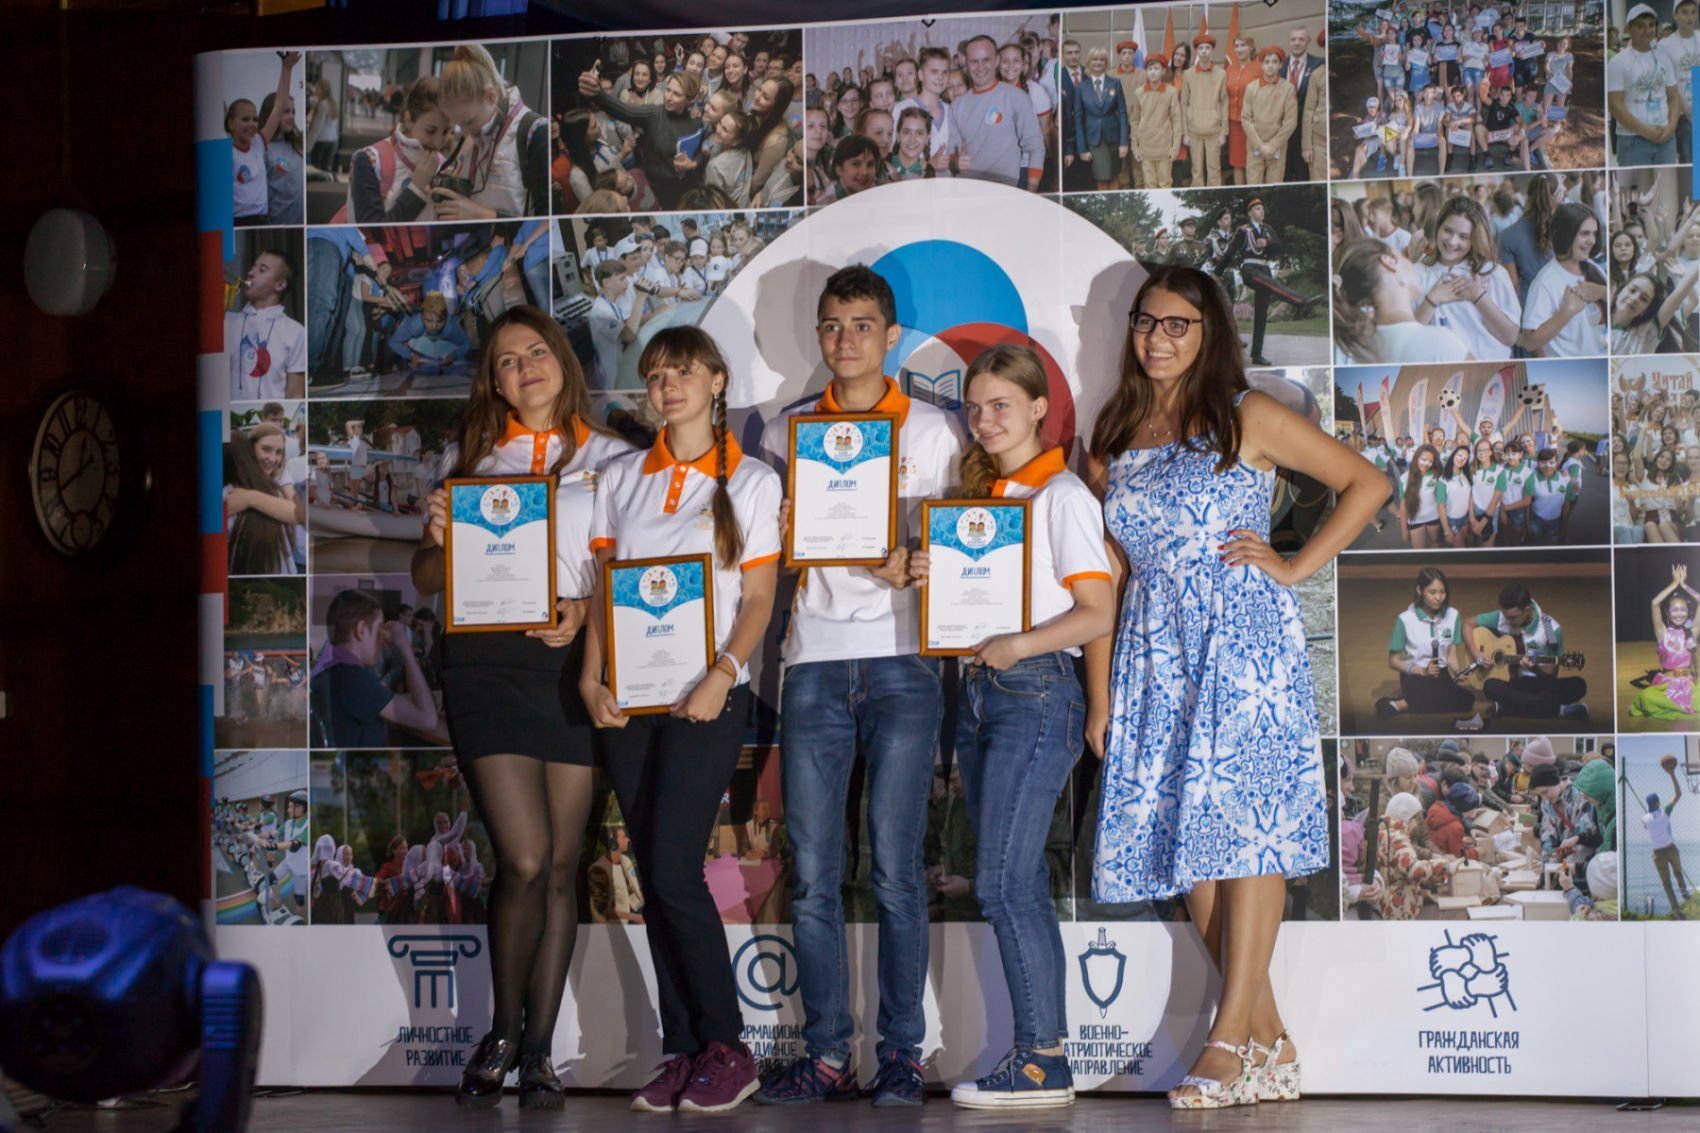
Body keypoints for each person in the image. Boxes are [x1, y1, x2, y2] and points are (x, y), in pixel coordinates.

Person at [1089, 265, 1384, 1109]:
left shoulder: (1246, 414)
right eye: (1146, 321)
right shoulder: (1114, 430)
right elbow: (1108, 573)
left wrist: (1292, 565)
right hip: (1154, 650)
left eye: (1177, 324)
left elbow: (1368, 483)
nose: (1157, 338)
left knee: (1247, 834)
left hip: (1243, 642)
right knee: (1191, 847)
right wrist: (1104, 696)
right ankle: (1270, 1038)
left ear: (1209, 331)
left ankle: (1226, 1042)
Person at [412, 306, 634, 1108]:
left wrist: (582, 612)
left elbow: (623, 569)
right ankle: (501, 1031)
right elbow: (425, 578)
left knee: (563, 865)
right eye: (507, 361)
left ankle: (538, 1050)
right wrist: (439, 536)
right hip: (484, 664)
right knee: (527, 858)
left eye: (536, 351)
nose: (524, 368)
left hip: (572, 664)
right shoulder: (470, 456)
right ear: (495, 381)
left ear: (563, 361)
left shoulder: (613, 458)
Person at [754, 266, 963, 1108]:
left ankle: (902, 1053)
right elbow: (766, 557)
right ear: (819, 334)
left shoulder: (935, 428)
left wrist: (918, 562)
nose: (847, 339)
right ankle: (828, 1053)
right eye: (833, 325)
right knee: (812, 872)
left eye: (863, 324)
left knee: (898, 870)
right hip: (812, 659)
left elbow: (962, 548)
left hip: (904, 658)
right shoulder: (786, 430)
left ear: (891, 333)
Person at [902, 347, 1113, 1110]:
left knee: (999, 880)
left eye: (1001, 405)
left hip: (1036, 691)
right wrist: (931, 578)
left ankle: (1041, 1059)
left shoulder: (1061, 494)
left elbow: (1098, 612)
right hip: (981, 694)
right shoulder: (981, 500)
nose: (984, 420)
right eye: (974, 406)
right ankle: (1042, 1054)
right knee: (1012, 880)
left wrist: (1020, 646)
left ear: (1038, 408)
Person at [580, 327, 781, 1114]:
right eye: (656, 375)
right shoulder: (621, 477)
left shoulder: (753, 481)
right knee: (653, 876)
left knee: (671, 868)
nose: (667, 386)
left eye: (682, 371)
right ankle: (685, 1047)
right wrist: (592, 676)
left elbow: (758, 599)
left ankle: (730, 1045)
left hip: (707, 696)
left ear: (718, 380)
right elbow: (605, 588)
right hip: (630, 702)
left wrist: (723, 673)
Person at [309, 589, 438, 749]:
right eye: (379, 629)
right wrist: (405, 649)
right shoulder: (355, 679)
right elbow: (428, 719)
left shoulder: (332, 668)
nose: (382, 638)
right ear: (361, 630)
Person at [433, 45, 551, 219]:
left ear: (490, 96)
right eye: (458, 125)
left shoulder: (536, 132)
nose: (465, 133)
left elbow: (548, 221)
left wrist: (480, 215)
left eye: (469, 121)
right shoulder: (472, 138)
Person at [1412, 197, 1521, 361]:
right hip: (1439, 372)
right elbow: (1408, 340)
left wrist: (1479, 297)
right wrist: (1431, 300)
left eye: (1463, 236)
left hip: (1489, 370)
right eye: (1447, 230)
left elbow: (1510, 337)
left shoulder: (1493, 273)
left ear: (1475, 239)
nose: (1452, 241)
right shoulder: (1416, 273)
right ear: (1438, 227)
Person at [580, 64, 703, 209]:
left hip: (680, 188)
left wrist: (693, 163)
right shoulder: (654, 114)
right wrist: (597, 94)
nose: (668, 97)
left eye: (676, 94)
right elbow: (623, 110)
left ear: (689, 100)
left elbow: (701, 151)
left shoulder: (695, 123)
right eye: (668, 90)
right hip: (652, 185)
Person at [1334, 239, 1473, 365]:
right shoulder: (1442, 343)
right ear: (1389, 262)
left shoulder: (1361, 343)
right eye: (1402, 256)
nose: (1410, 263)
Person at [1212, 197, 1313, 367]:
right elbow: (1229, 253)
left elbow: (1279, 248)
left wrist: (1267, 243)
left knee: (1261, 314)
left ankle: (1256, 355)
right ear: (1250, 213)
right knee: (1273, 285)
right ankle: (1301, 301)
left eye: (1262, 208)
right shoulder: (1244, 230)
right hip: (1250, 269)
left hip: (1265, 268)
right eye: (1258, 209)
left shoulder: (1268, 230)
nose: (1262, 211)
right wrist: (1216, 273)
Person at [1467, 582, 1588, 721]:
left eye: (1513, 618)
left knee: (1578, 685)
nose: (1508, 622)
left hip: (1540, 683)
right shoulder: (1503, 617)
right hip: (1514, 682)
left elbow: (1551, 674)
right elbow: (1467, 624)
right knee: (1490, 686)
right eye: (1506, 617)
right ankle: (1558, 710)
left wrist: (1534, 668)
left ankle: (1508, 708)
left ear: (1527, 610)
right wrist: (1476, 653)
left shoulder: (1550, 629)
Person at [341, 76, 451, 223]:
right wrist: (417, 190)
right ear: (408, 119)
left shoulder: (445, 167)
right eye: (430, 131)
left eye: (445, 132)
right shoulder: (368, 161)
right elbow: (371, 232)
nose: (438, 143)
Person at [1376, 567, 1479, 726]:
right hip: (1414, 674)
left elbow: (1450, 653)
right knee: (1442, 697)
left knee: (1468, 700)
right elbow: (1393, 661)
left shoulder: (1453, 615)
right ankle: (1406, 701)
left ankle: (1405, 702)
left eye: (1442, 592)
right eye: (1432, 592)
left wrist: (1457, 670)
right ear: (1420, 590)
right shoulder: (1405, 619)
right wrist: (1423, 671)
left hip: (1441, 674)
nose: (1438, 597)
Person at [951, 35, 1045, 190]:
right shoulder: (958, 105)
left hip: (1007, 190)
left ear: (996, 61)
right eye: (974, 61)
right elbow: (952, 156)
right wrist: (955, 162)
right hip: (968, 191)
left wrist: (1031, 192)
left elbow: (1036, 147)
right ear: (966, 63)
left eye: (986, 60)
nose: (980, 67)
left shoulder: (1018, 97)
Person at [226, 250, 306, 401]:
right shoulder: (227, 322)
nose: (250, 273)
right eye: (253, 267)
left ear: (280, 285)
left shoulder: (296, 332)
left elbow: (295, 396)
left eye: (262, 270)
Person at [225, 425, 303, 576]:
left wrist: (250, 498)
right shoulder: (232, 491)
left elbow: (299, 512)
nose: (273, 459)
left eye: (279, 452)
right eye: (266, 449)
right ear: (250, 449)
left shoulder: (279, 476)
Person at [1609, 5, 1681, 168]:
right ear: (1629, 29)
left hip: (1665, 139)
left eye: (1651, 25)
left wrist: (1671, 127)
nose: (1646, 30)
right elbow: (1615, 105)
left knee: (1666, 181)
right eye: (1640, 26)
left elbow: (1673, 96)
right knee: (1638, 183)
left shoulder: (1663, 58)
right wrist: (1646, 131)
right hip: (1633, 141)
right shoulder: (1618, 62)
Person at [1630, 565, 1700, 720]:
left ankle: (1680, 706)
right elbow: (1654, 603)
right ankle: (1676, 706)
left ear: (1688, 612)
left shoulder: (1693, 631)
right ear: (1667, 613)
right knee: (1646, 697)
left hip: (1688, 685)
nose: (1679, 614)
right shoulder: (1662, 632)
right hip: (1666, 685)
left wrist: (1684, 585)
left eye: (1683, 610)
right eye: (1675, 610)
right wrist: (1674, 584)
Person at [1072, 47, 1130, 192]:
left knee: (1115, 175)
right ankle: (1104, 204)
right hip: (1094, 141)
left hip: (1114, 139)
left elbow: (1123, 113)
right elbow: (1078, 119)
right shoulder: (1081, 88)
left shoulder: (1115, 83)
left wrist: (1124, 143)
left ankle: (1115, 203)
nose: (1098, 63)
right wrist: (1082, 149)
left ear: (1106, 63)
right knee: (1101, 177)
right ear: (1089, 62)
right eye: (1094, 59)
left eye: (1102, 60)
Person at [257, 54, 305, 225]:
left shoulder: (297, 143)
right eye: (285, 112)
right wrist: (286, 69)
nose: (291, 116)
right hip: (278, 222)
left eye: (293, 112)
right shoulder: (263, 149)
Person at [1240, 47, 1296, 188]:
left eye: (1274, 62)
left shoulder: (1287, 88)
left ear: (1280, 65)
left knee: (1275, 184)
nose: (1270, 65)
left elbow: (1290, 122)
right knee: (1253, 183)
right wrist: (1260, 146)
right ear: (1261, 64)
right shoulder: (1251, 88)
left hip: (1277, 145)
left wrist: (1273, 145)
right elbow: (1246, 119)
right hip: (1255, 144)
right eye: (1267, 62)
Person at [1644, 759, 1691, 916]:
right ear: (1658, 802)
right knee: (1678, 873)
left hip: (1658, 853)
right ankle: (1684, 892)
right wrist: (1672, 774)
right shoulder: (1665, 812)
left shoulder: (1645, 818)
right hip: (1671, 849)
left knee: (1666, 883)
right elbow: (1678, 794)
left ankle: (1676, 909)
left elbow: (1647, 822)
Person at [1181, 36, 1228, 187]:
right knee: (1196, 169)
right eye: (1201, 48)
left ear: (1212, 50)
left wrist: (1223, 132)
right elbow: (1184, 103)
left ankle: (1214, 194)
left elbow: (1224, 102)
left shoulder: (1221, 74)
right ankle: (1198, 193)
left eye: (1207, 48)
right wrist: (1185, 133)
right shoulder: (1188, 74)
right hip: (1194, 129)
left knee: (1214, 169)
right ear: (1196, 51)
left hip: (1214, 130)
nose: (1204, 51)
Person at [1131, 53, 1181, 189]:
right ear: (1146, 71)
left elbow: (1177, 120)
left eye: (1156, 68)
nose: (1153, 72)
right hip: (1146, 148)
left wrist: (1175, 147)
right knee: (1149, 184)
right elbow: (1134, 121)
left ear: (1163, 71)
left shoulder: (1171, 92)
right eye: (1150, 69)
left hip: (1164, 148)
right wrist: (1135, 147)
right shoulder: (1139, 92)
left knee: (1165, 184)